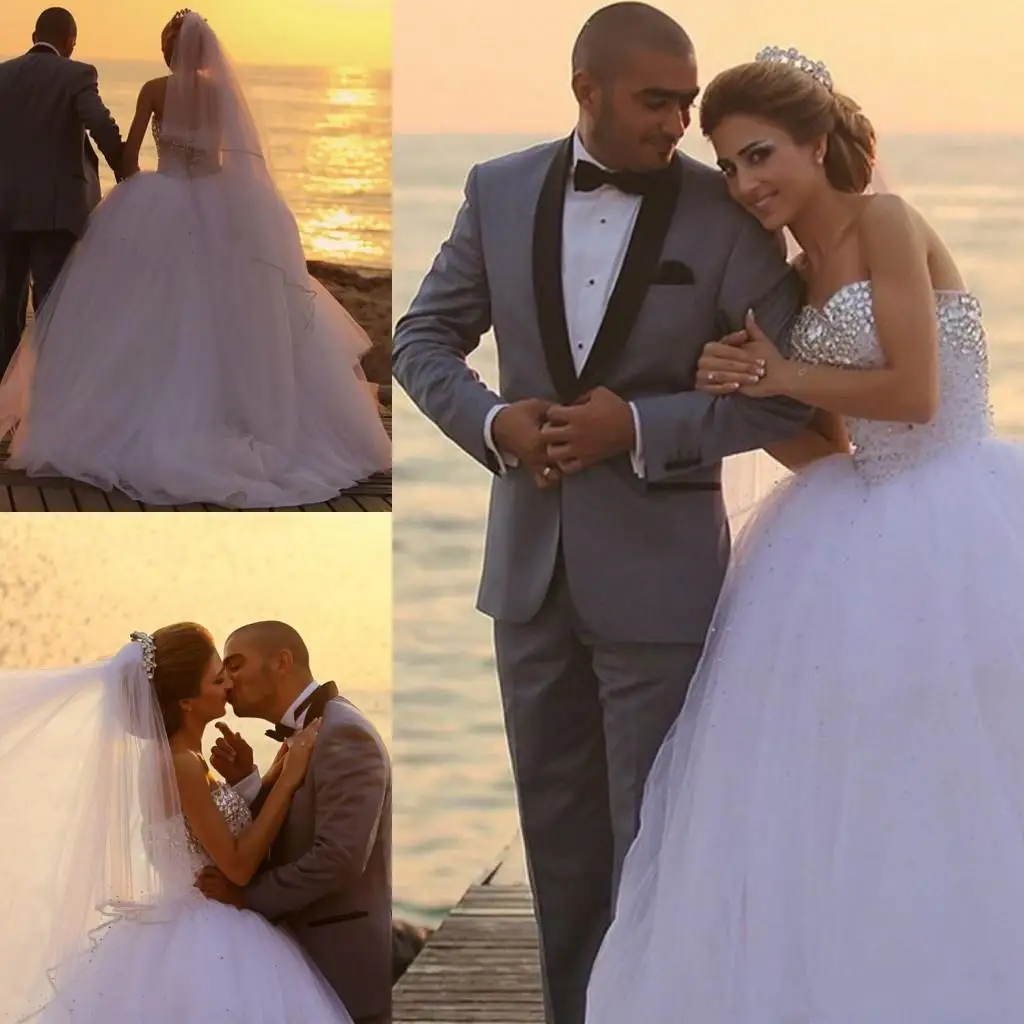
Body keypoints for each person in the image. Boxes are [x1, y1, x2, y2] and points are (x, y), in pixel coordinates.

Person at [584, 45, 1024, 1023]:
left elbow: (912, 393)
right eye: (732, 165)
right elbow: (831, 442)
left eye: (760, 155)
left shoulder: (885, 222)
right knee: (839, 780)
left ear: (816, 142)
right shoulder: (788, 271)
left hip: (956, 511)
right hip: (857, 514)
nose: (746, 184)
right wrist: (749, 394)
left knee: (954, 771)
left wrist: (781, 376)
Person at [393, 4, 816, 1021]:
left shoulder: (728, 215)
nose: (678, 119)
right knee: (557, 839)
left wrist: (637, 424)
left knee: (655, 837)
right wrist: (496, 424)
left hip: (661, 577)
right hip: (527, 575)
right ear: (584, 86)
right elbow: (419, 340)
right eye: (654, 99)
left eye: (684, 100)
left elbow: (789, 392)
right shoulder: (496, 190)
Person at [0, 10, 391, 508]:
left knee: (138, 313)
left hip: (156, 201)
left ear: (168, 50)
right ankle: (232, 412)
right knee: (223, 313)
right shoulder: (223, 94)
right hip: (215, 202)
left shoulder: (153, 89)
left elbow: (129, 154)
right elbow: (231, 157)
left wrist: (131, 181)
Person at [0, 624, 359, 1023]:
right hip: (207, 933)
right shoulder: (181, 764)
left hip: (193, 926)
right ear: (187, 702)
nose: (229, 686)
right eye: (218, 678)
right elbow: (237, 866)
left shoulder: (184, 760)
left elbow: (212, 830)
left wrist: (258, 781)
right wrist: (288, 781)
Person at [198, 620, 393, 1024]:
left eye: (235, 665)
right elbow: (294, 829)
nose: (227, 681)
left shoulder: (343, 735)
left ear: (282, 661)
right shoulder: (307, 732)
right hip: (297, 965)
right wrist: (251, 784)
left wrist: (245, 898)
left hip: (339, 968)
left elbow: (338, 858)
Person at [0, 6, 123, 375]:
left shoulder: (3, 75)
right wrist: (126, 170)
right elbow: (100, 123)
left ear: (33, 36)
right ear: (70, 42)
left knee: (6, 307)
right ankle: (46, 397)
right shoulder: (76, 74)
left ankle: (5, 401)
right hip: (56, 213)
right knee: (52, 305)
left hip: (5, 209)